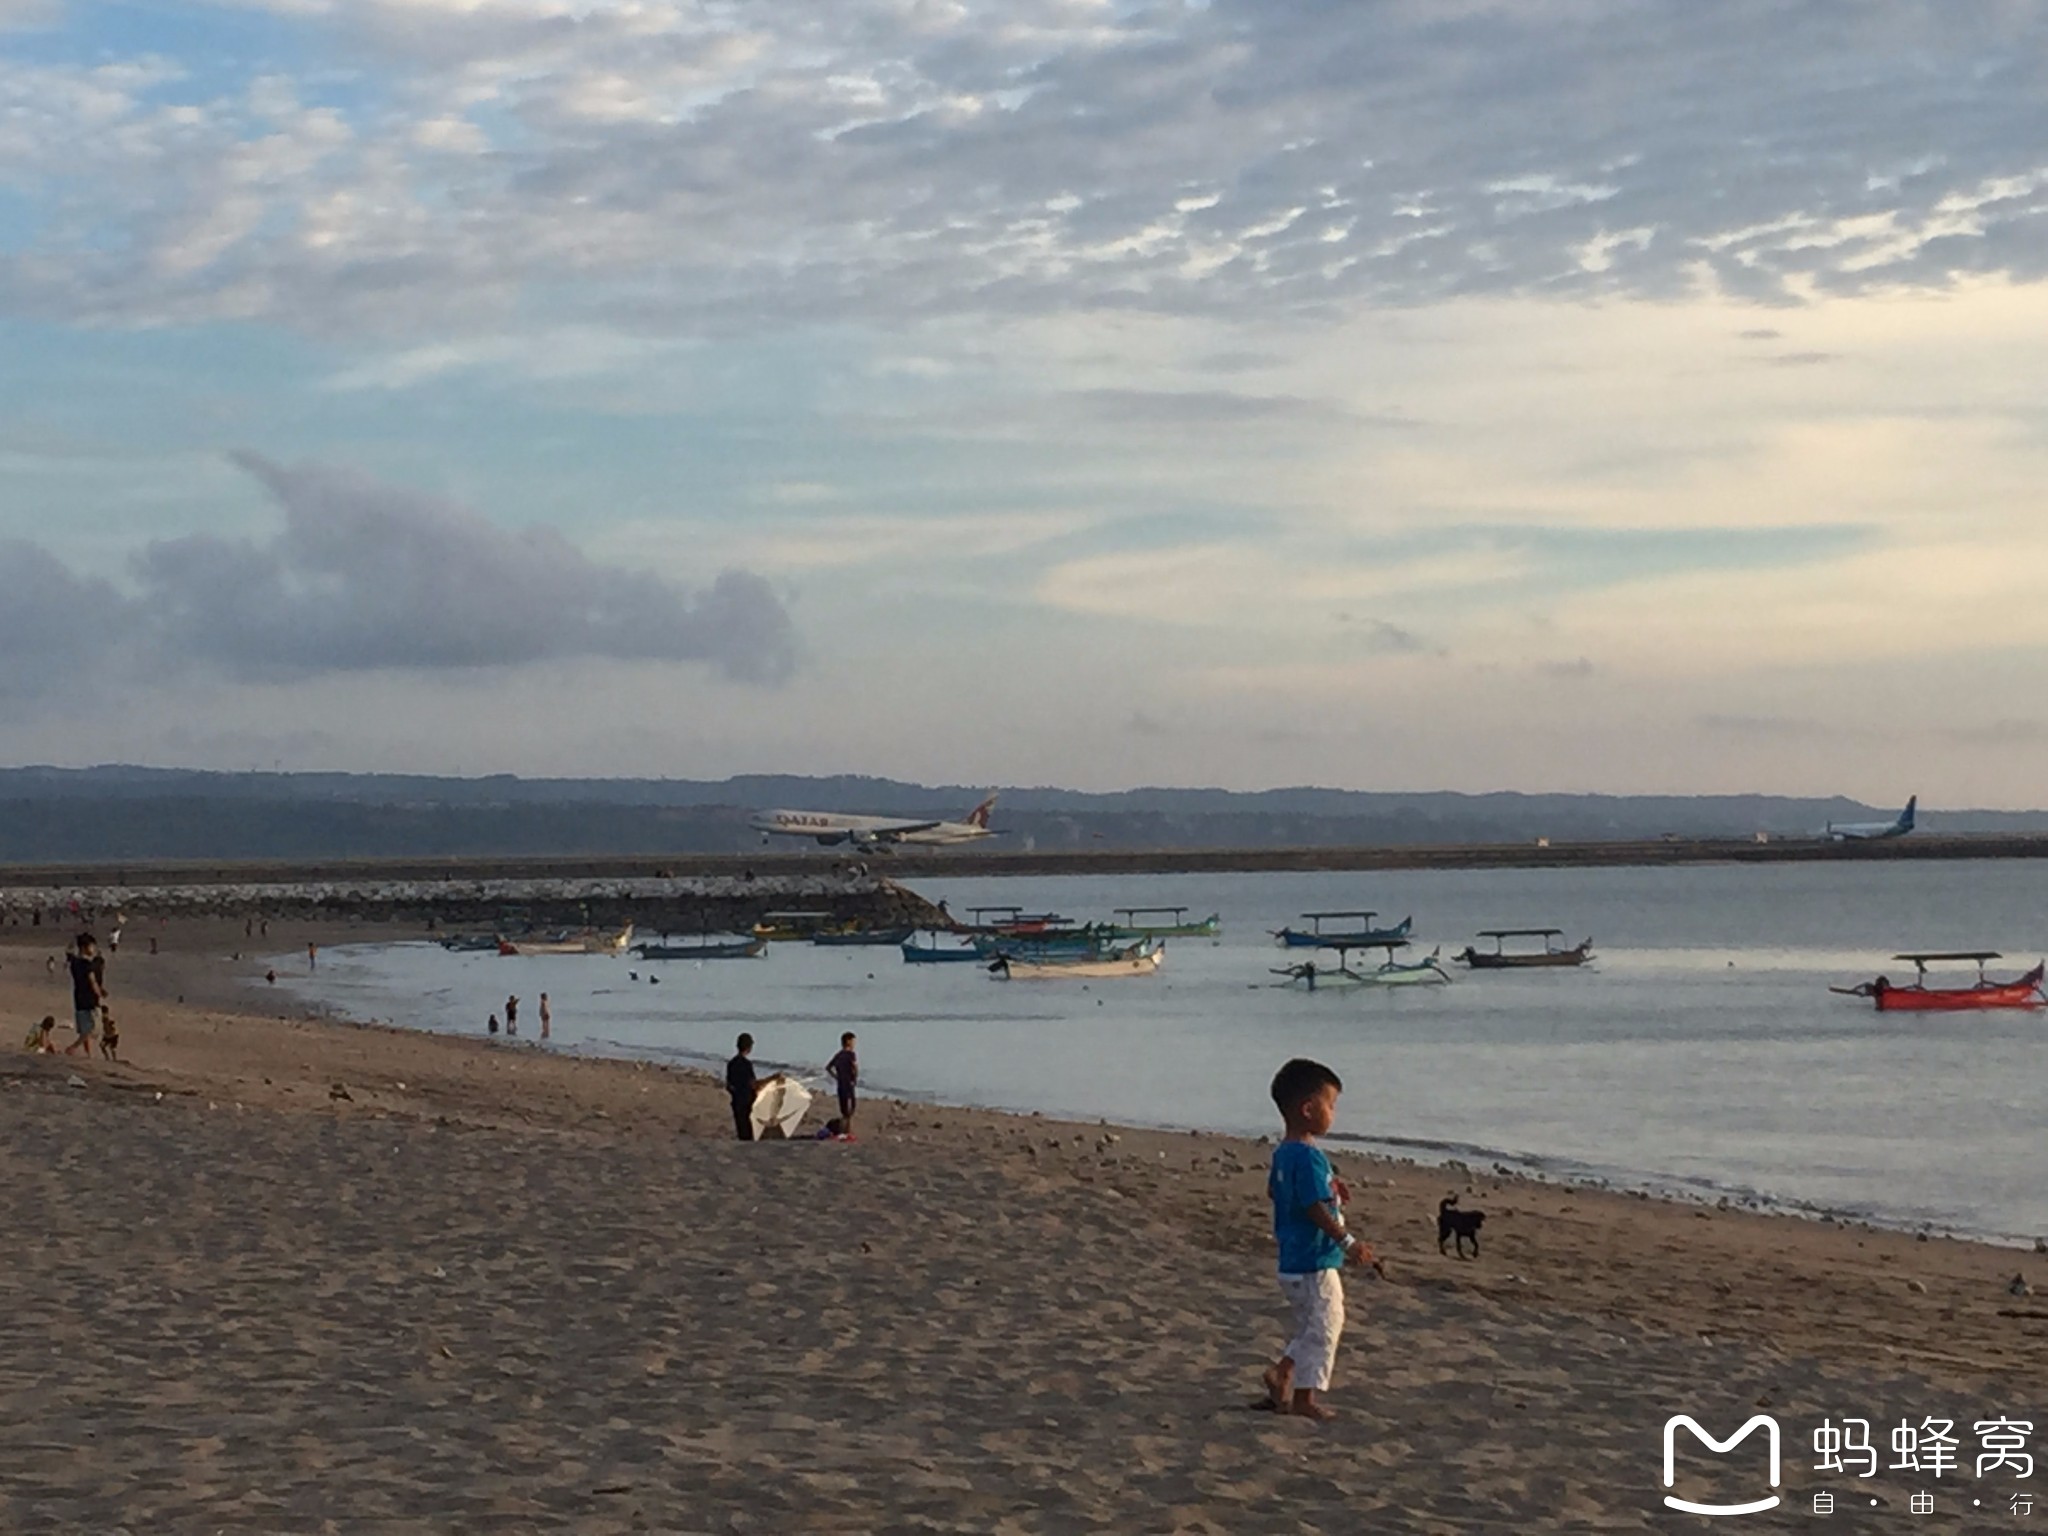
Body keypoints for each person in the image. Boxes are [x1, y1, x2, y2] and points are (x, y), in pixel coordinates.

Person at [1263, 1057, 1378, 1420]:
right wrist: (1347, 1242)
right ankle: (1304, 1397)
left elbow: (1280, 1193)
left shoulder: (1285, 1153)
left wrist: (1332, 1189)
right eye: (1331, 1105)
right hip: (1315, 1260)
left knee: (1314, 1324)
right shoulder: (1309, 1156)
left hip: (1293, 1260)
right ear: (1308, 1109)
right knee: (1327, 1324)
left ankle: (1283, 1371)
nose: (1334, 1113)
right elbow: (1313, 1207)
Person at [725, 1033, 784, 1142]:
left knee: (742, 1133)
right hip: (747, 1103)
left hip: (736, 1102)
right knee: (749, 1134)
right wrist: (772, 1078)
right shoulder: (746, 1065)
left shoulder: (731, 1064)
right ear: (749, 1047)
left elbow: (728, 1085)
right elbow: (754, 1084)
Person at [64, 934, 107, 1058]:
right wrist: (100, 992)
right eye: (92, 946)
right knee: (93, 1028)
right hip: (90, 999)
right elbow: (92, 981)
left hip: (78, 997)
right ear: (85, 947)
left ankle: (89, 1054)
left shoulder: (75, 962)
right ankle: (73, 1047)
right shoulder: (87, 965)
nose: (93, 949)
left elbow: (68, 952)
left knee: (84, 1028)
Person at [826, 1032, 859, 1131]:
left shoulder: (838, 1055)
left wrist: (836, 1076)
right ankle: (847, 1129)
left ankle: (845, 1128)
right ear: (848, 1042)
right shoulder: (851, 1054)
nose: (854, 1045)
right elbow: (855, 1067)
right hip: (849, 1083)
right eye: (853, 1042)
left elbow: (828, 1067)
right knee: (851, 1107)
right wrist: (855, 1078)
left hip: (840, 1084)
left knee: (844, 1107)